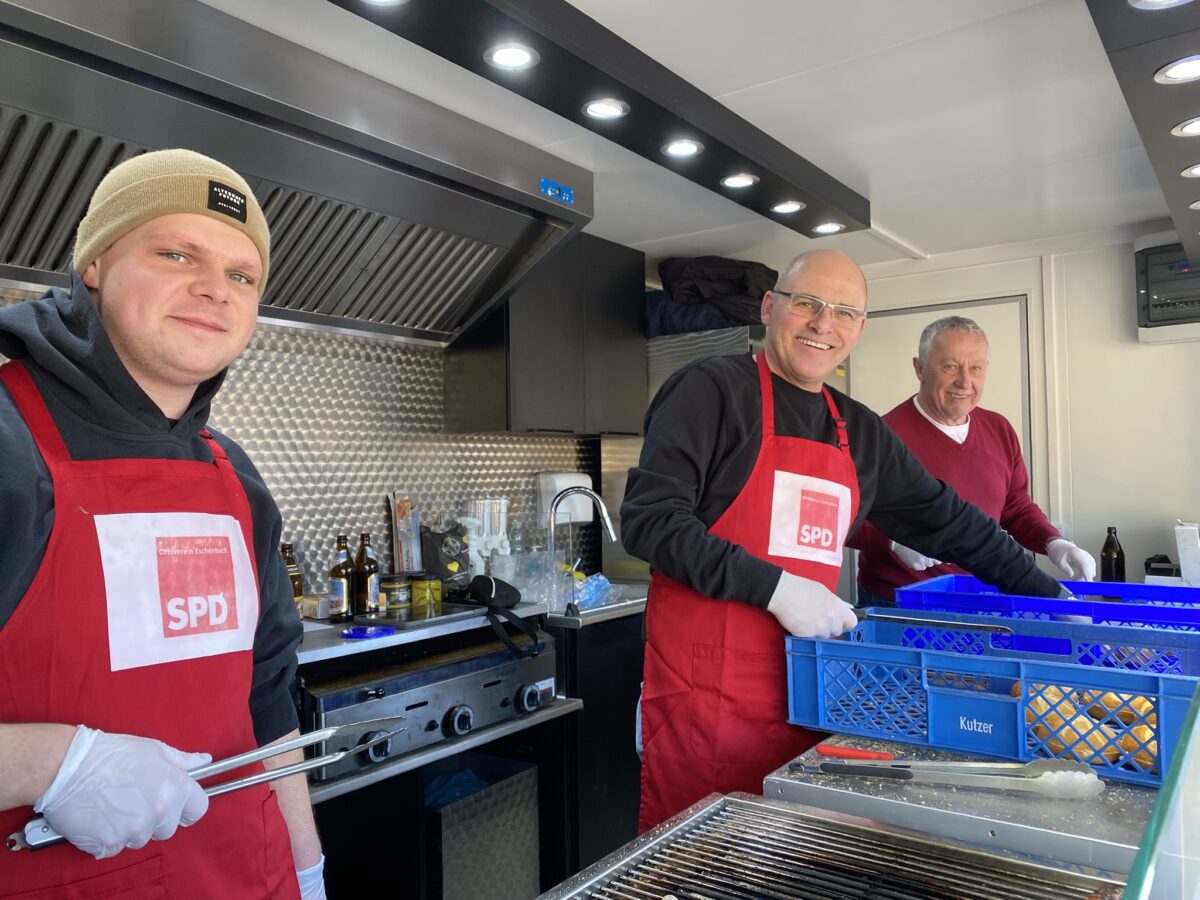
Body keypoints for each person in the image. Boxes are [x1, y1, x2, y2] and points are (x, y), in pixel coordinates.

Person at [621, 249, 1067, 832]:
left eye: (843, 311)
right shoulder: (709, 390)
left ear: (859, 327)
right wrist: (775, 588)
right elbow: (649, 520)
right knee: (704, 865)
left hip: (814, 698)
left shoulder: (858, 430)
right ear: (769, 307)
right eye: (806, 303)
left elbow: (953, 521)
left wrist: (1052, 601)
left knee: (795, 860)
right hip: (707, 701)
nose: (822, 324)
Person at [0, 150, 325, 898]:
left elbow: (267, 700)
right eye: (175, 253)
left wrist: (306, 870)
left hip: (246, 875)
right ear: (94, 265)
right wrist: (50, 764)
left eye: (243, 276)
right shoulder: (7, 441)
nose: (215, 289)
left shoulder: (232, 476)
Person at [853, 316, 1095, 606]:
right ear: (920, 369)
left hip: (983, 598)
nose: (964, 381)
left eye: (976, 368)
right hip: (899, 602)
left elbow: (1015, 507)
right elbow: (845, 511)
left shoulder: (999, 429)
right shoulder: (882, 434)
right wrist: (891, 541)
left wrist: (1053, 542)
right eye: (950, 366)